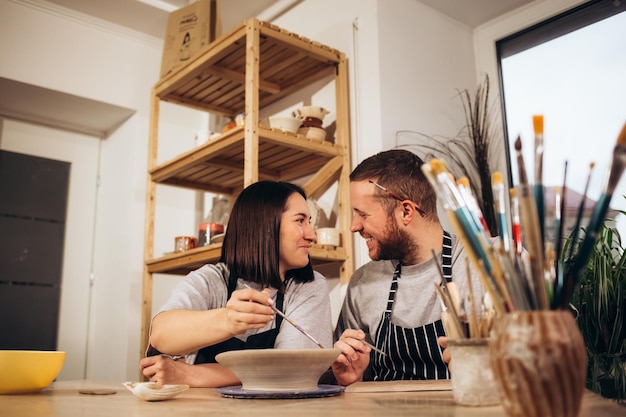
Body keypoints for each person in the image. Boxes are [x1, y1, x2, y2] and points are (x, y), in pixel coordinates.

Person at [140, 180, 333, 387]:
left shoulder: (308, 286)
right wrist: (228, 320)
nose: (312, 235)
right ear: (265, 225)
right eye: (300, 221)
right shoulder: (212, 279)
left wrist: (190, 375)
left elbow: (294, 370)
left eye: (309, 222)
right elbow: (160, 335)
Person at [331, 149, 485, 385]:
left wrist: (492, 363)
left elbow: (546, 362)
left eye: (363, 214)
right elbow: (348, 382)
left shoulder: (487, 264)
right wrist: (351, 379)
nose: (354, 226)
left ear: (406, 211)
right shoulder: (363, 283)